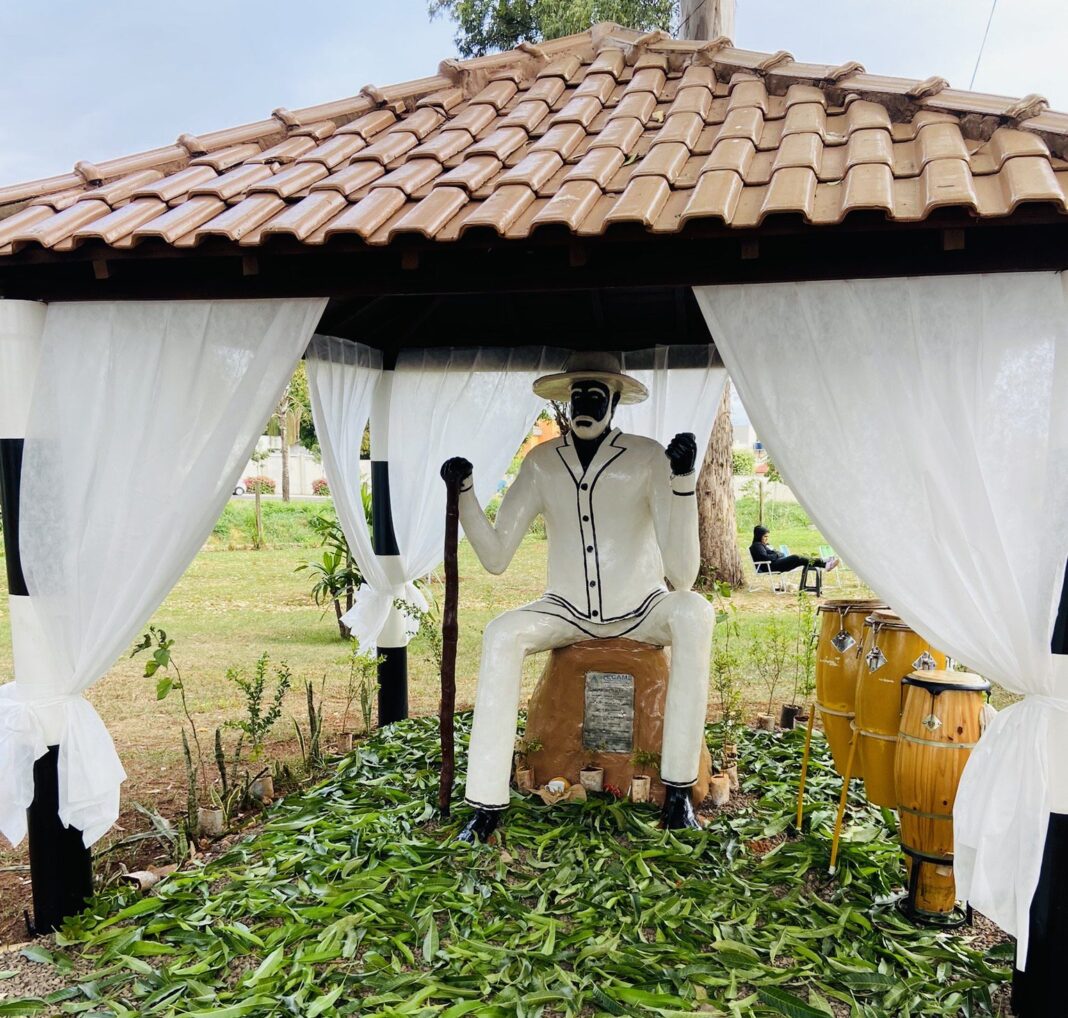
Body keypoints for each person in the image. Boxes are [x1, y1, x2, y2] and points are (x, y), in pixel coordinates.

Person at [441, 352, 715, 843]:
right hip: (565, 609)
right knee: (502, 633)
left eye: (596, 394)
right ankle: (485, 804)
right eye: (578, 394)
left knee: (694, 612)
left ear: (615, 400)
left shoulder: (648, 457)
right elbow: (496, 556)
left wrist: (683, 482)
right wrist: (464, 492)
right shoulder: (542, 463)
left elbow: (683, 574)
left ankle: (677, 792)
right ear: (566, 401)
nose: (585, 403)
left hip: (642, 608)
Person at [749, 525, 838, 574]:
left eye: (767, 536)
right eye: (765, 536)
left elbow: (781, 554)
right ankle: (824, 561)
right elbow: (766, 558)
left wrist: (776, 554)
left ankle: (825, 564)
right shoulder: (757, 546)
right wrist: (776, 555)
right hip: (770, 567)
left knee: (801, 560)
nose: (767, 539)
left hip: (776, 563)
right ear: (759, 536)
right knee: (796, 557)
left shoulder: (765, 545)